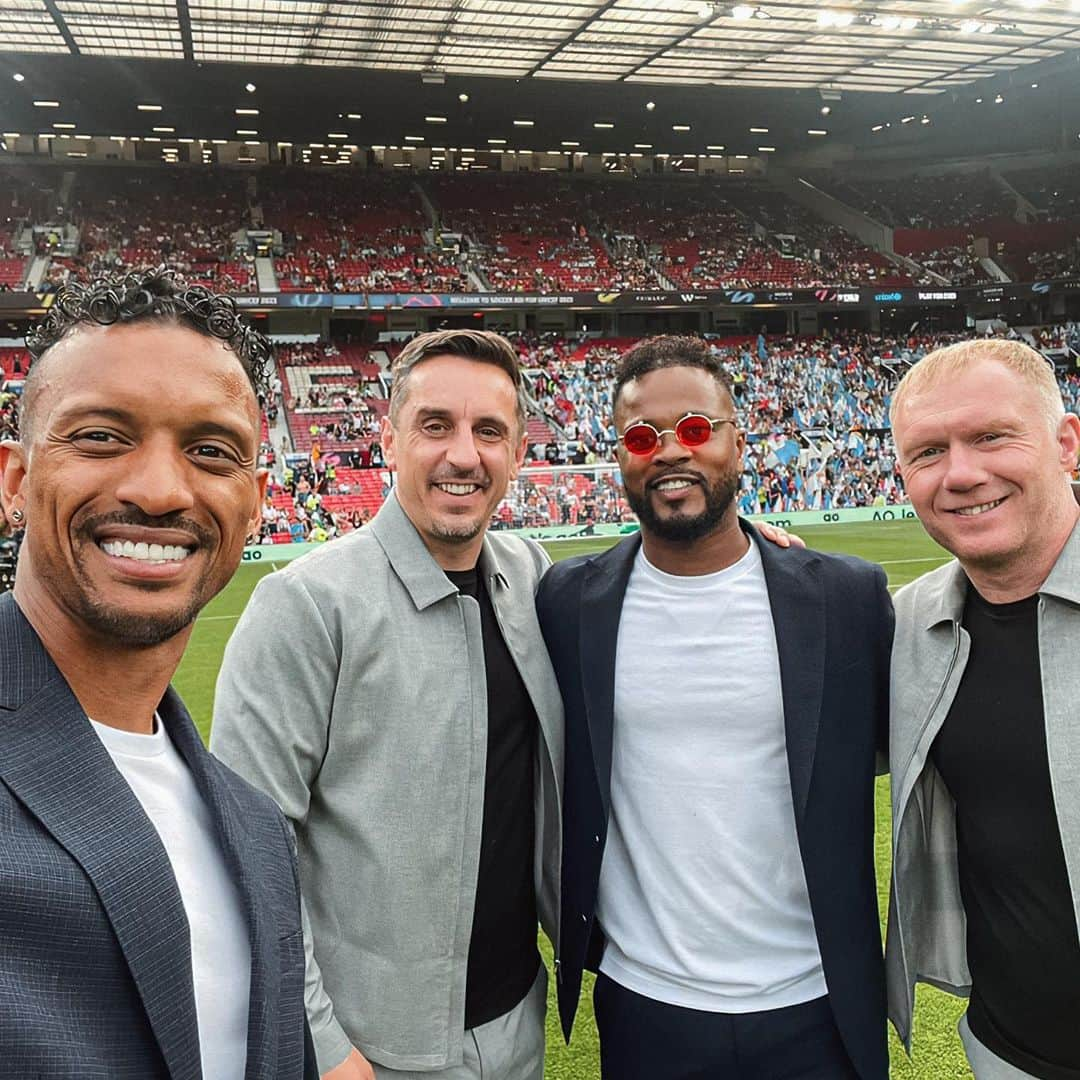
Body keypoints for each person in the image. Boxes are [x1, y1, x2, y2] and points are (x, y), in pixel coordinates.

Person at [536, 335, 893, 1080]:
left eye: (696, 430)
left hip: (816, 999)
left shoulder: (844, 598)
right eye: (642, 437)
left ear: (738, 441)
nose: (671, 452)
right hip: (645, 1004)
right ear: (620, 458)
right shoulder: (568, 603)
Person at [211, 330, 565, 1080]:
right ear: (390, 440)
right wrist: (324, 1043)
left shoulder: (531, 578)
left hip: (515, 1027)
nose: (463, 454)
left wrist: (744, 545)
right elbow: (246, 852)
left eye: (488, 431)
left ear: (519, 452)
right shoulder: (305, 606)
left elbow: (639, 588)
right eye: (436, 425)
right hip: (370, 1050)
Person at [0, 270, 317, 1079]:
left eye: (211, 452)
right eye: (102, 436)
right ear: (15, 481)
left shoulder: (253, 828)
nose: (159, 490)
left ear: (253, 503)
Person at [887, 339, 1080, 1079]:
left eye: (992, 436)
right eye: (928, 451)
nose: (962, 474)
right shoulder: (907, 627)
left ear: (1065, 444)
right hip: (1005, 1052)